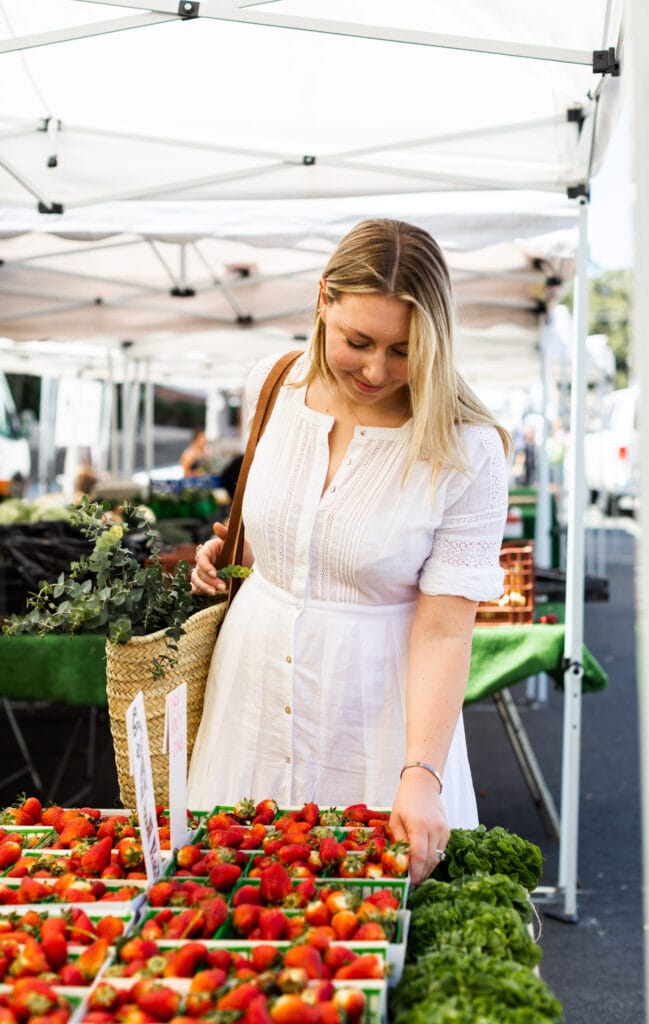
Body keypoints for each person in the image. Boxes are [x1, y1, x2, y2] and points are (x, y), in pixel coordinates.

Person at [189, 219, 512, 884]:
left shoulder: (468, 448)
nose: (375, 369)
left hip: (375, 717)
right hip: (246, 694)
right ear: (322, 300)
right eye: (357, 342)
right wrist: (227, 554)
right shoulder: (270, 385)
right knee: (226, 904)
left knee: (363, 920)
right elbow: (279, 530)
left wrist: (420, 773)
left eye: (403, 351)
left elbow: (446, 631)